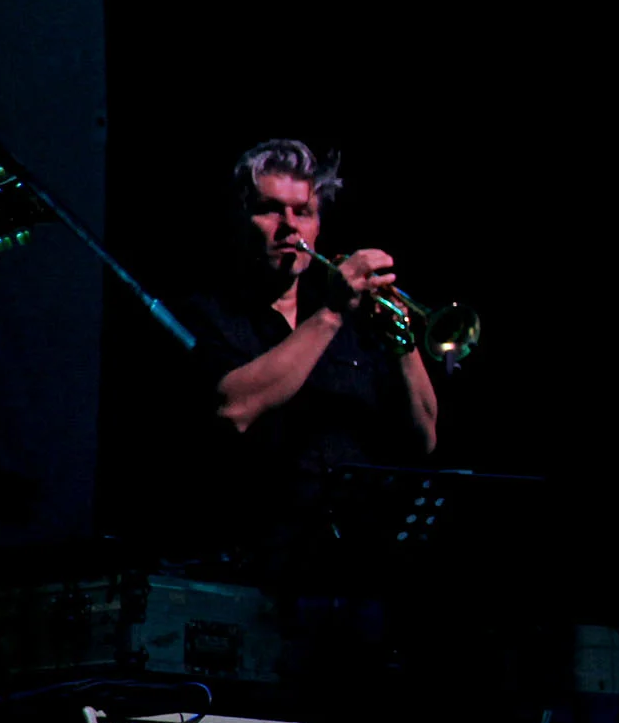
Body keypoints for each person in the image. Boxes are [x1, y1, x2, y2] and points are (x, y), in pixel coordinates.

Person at [178, 138, 438, 575]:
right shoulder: (207, 313)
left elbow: (424, 438)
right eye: (270, 209)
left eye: (303, 212)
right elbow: (234, 408)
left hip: (354, 566)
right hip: (252, 567)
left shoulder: (352, 318)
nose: (289, 227)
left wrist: (403, 340)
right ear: (240, 218)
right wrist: (333, 313)